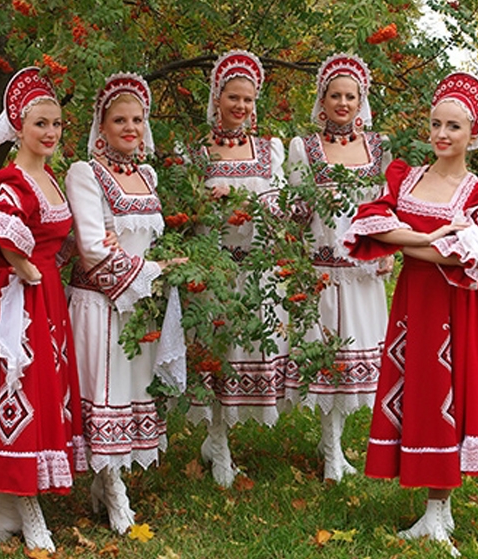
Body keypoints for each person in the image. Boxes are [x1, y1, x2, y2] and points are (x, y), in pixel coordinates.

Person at [341, 72, 478, 556]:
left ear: (473, 135)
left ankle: (439, 510)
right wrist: (428, 238)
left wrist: (412, 242)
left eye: (453, 127)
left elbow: (463, 255)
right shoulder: (408, 177)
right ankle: (434, 510)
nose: (441, 135)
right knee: (423, 392)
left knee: (449, 395)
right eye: (435, 125)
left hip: (457, 305)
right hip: (415, 303)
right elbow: (373, 225)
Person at [0, 67, 86, 554]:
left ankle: (6, 511)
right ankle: (27, 508)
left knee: (45, 392)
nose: (50, 133)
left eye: (56, 125)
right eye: (41, 124)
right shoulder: (12, 180)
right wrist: (20, 263)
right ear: (20, 127)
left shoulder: (49, 178)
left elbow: (58, 237)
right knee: (23, 392)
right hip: (20, 300)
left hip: (48, 295)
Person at [66, 73, 187, 533]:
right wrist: (154, 271)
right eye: (120, 119)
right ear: (102, 124)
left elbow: (148, 239)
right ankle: (115, 492)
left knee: (132, 391)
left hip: (142, 303)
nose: (130, 127)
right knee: (107, 393)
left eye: (137, 119)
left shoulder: (147, 174)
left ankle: (104, 484)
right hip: (103, 302)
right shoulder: (84, 172)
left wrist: (159, 267)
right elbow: (93, 247)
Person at [185, 50, 289, 487]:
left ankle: (222, 438)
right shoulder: (196, 152)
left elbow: (283, 206)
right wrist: (207, 206)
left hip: (257, 269)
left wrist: (262, 208)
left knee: (247, 351)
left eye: (248, 100)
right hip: (216, 269)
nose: (241, 107)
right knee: (217, 355)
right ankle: (217, 438)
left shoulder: (270, 149)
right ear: (217, 98)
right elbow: (184, 214)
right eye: (233, 98)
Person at [286, 53, 389, 482]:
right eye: (335, 95)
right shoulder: (303, 147)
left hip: (362, 269)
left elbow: (387, 205)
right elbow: (291, 208)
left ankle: (340, 445)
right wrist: (310, 200)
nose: (343, 103)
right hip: (322, 271)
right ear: (322, 100)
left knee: (355, 358)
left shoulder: (379, 146)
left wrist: (383, 247)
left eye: (351, 96)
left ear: (360, 100)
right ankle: (330, 451)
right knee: (328, 356)